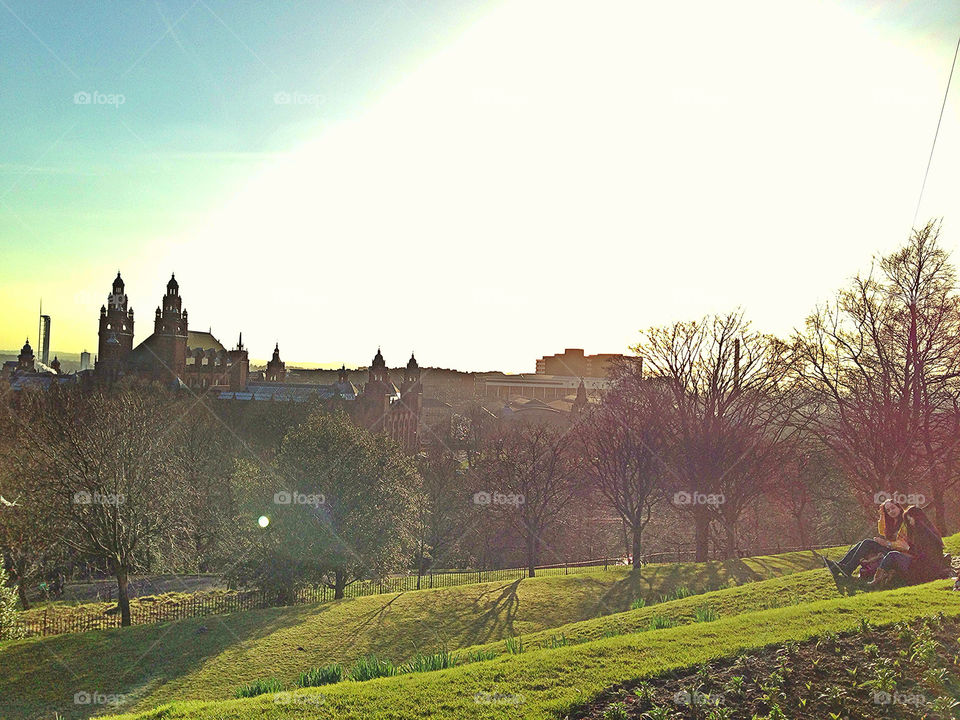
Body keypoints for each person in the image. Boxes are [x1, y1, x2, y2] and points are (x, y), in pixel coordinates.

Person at [825, 500, 906, 583]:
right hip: (888, 548)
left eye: (893, 508)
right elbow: (881, 531)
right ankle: (840, 566)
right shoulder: (891, 522)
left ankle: (848, 568)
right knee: (862, 543)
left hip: (896, 554)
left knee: (867, 542)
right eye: (888, 510)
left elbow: (904, 544)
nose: (891, 511)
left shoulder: (905, 521)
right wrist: (882, 514)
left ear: (899, 507)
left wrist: (887, 543)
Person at [871, 505, 944, 587]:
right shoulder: (925, 531)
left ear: (916, 517)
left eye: (910, 520)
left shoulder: (924, 534)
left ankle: (877, 579)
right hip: (922, 567)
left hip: (924, 570)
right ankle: (882, 578)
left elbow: (923, 555)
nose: (910, 523)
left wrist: (908, 549)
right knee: (893, 556)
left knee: (892, 555)